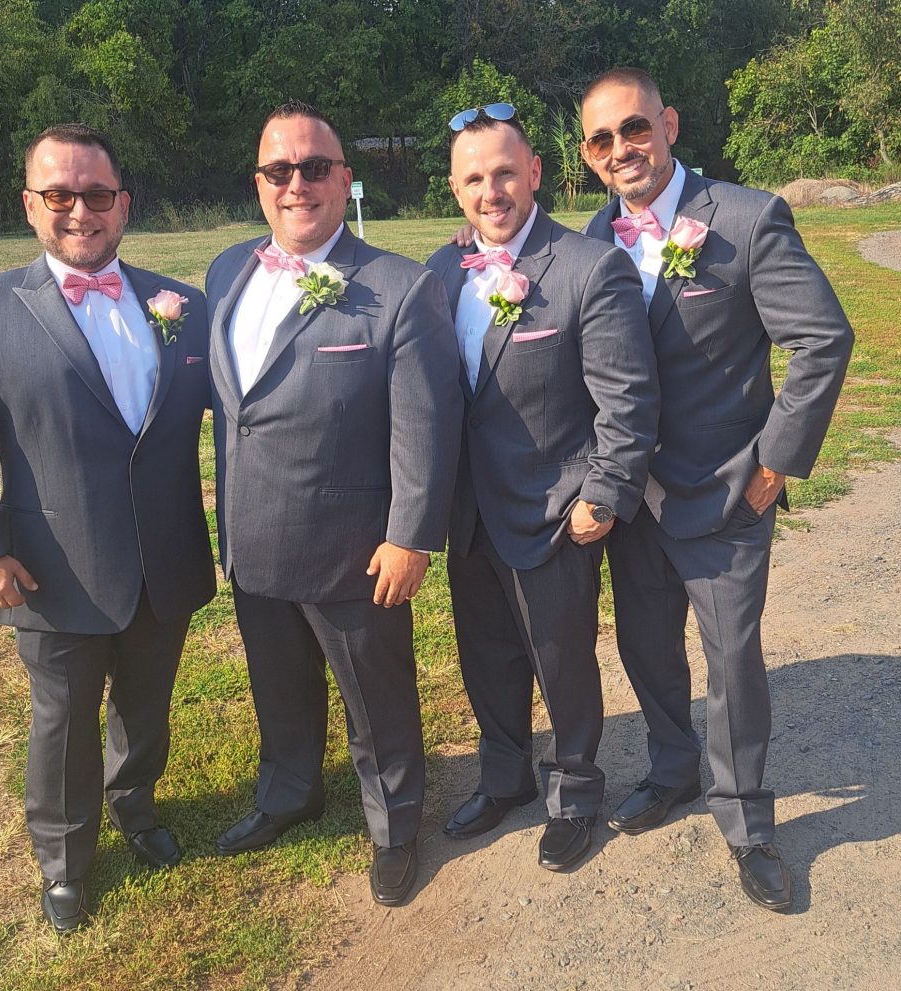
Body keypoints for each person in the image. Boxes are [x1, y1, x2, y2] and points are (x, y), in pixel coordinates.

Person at [0, 124, 216, 933]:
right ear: (30, 205)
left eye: (96, 194)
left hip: (164, 559)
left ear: (124, 203)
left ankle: (134, 803)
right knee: (62, 722)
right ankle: (62, 858)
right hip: (53, 567)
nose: (80, 210)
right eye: (59, 194)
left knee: (146, 706)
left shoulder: (182, 306)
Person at [579, 67, 854, 911]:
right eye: (602, 139)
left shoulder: (746, 218)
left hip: (729, 489)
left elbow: (823, 339)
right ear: (588, 156)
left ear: (668, 123)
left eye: (635, 127)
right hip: (633, 496)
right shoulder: (592, 235)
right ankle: (672, 767)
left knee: (731, 658)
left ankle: (745, 817)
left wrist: (776, 461)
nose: (622, 148)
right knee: (645, 645)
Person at [205, 101, 462, 906]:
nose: (297, 184)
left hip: (355, 549)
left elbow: (425, 424)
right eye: (279, 170)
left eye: (314, 167)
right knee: (277, 686)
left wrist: (411, 535)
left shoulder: (400, 288)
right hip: (253, 537)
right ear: (258, 183)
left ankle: (395, 822)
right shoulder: (225, 272)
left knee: (377, 702)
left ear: (344, 179)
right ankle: (290, 791)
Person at [426, 104, 659, 871]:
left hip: (556, 510)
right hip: (469, 512)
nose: (490, 191)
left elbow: (629, 398)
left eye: (503, 173)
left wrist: (604, 493)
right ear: (456, 190)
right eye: (473, 179)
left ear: (533, 173)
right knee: (487, 656)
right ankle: (505, 777)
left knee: (561, 663)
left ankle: (576, 792)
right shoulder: (440, 271)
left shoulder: (590, 266)